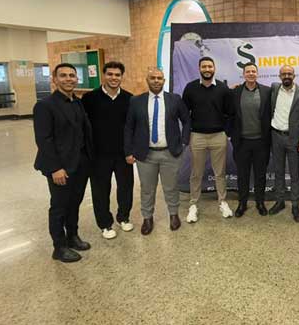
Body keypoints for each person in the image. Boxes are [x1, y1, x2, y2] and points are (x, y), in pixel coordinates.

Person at [33, 63, 93, 262]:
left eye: (72, 76)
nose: (68, 79)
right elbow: (44, 140)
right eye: (63, 75)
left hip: (80, 162)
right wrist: (55, 168)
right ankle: (59, 247)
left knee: (74, 202)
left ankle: (72, 236)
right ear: (55, 79)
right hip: (60, 166)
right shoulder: (45, 106)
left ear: (77, 79)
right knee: (59, 206)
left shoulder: (77, 102)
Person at [124, 68, 190, 235]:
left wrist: (184, 142)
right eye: (152, 78)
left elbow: (186, 120)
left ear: (164, 81)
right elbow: (129, 126)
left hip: (170, 153)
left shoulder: (175, 99)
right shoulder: (136, 101)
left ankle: (174, 215)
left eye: (159, 78)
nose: (156, 81)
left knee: (171, 187)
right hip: (145, 154)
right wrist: (128, 151)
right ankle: (147, 218)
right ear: (147, 80)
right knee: (147, 188)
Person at [82, 61, 134, 239]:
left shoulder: (129, 98)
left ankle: (123, 217)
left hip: (123, 154)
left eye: (117, 75)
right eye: (110, 74)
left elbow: (132, 127)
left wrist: (131, 150)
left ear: (122, 77)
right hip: (98, 155)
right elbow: (84, 127)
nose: (113, 78)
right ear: (104, 75)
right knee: (100, 191)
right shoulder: (89, 99)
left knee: (126, 187)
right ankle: (105, 224)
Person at [182, 57, 234, 222]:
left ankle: (222, 202)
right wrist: (188, 134)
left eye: (209, 66)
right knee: (196, 173)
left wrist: (226, 132)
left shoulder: (223, 88)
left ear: (214, 68)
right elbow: (184, 113)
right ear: (199, 68)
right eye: (204, 66)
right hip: (197, 136)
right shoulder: (190, 88)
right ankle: (193, 204)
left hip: (218, 136)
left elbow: (230, 112)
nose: (207, 69)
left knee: (220, 173)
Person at [229, 63, 272, 217]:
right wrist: (230, 134)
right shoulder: (235, 92)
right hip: (242, 142)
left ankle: (260, 202)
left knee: (260, 175)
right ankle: (242, 203)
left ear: (257, 74)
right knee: (243, 175)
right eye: (248, 71)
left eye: (254, 71)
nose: (251, 74)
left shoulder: (267, 91)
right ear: (243, 74)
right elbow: (229, 114)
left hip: (261, 141)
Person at [269, 65, 299, 222]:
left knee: (294, 174)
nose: (286, 76)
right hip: (275, 136)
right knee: (278, 172)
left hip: (293, 139)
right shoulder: (274, 88)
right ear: (279, 76)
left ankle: (295, 206)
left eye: (289, 74)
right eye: (284, 74)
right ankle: (280, 202)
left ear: (294, 76)